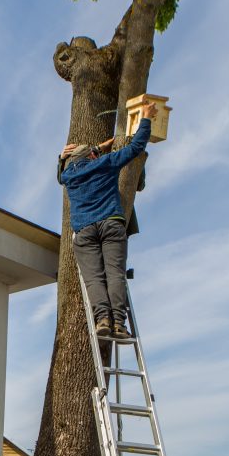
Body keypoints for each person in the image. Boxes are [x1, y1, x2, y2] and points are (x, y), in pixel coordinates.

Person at [58, 102, 157, 339]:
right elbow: (135, 148)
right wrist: (145, 118)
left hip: (84, 232)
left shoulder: (69, 175)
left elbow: (74, 163)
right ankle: (119, 324)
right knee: (115, 273)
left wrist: (64, 156)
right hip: (111, 224)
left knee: (94, 278)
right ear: (93, 156)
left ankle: (102, 319)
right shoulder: (105, 163)